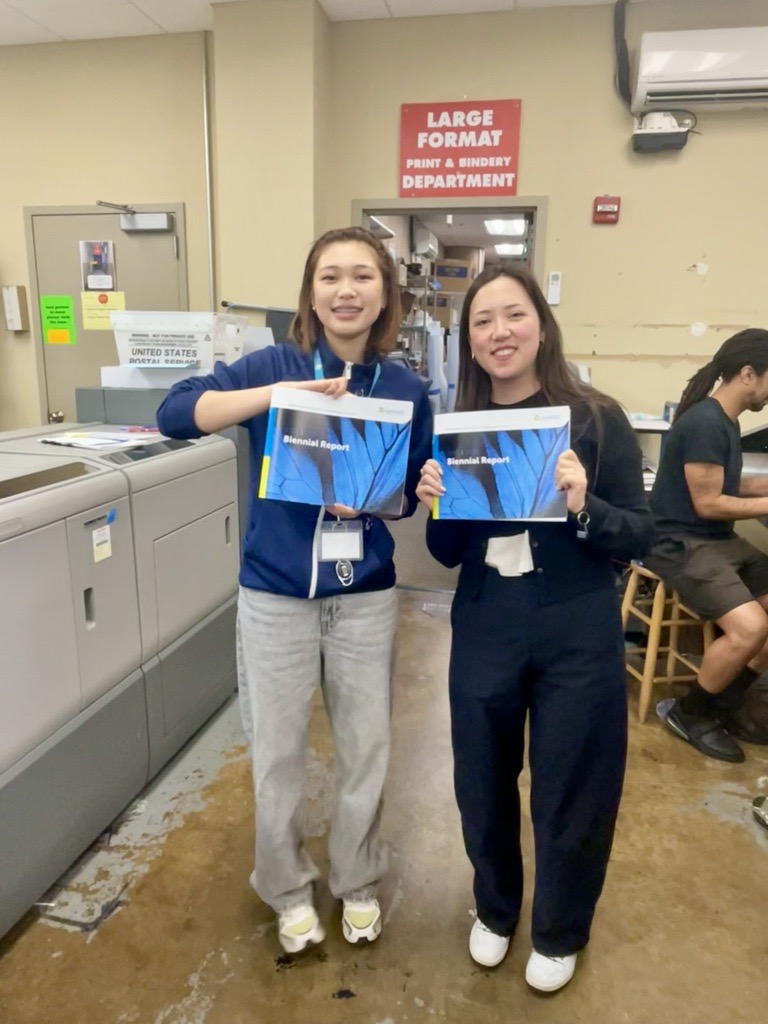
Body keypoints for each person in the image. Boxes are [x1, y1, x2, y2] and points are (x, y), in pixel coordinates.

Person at [156, 227, 432, 954]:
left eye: (363, 276)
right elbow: (175, 414)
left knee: (366, 748)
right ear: (311, 292)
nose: (347, 290)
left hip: (364, 595)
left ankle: (357, 878)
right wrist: (275, 396)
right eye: (330, 276)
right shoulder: (273, 365)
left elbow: (411, 492)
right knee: (276, 753)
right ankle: (284, 887)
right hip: (276, 595)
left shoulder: (405, 388)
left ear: (385, 294)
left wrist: (380, 500)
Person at [415, 264, 652, 992]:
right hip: (486, 620)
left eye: (514, 315)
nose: (500, 332)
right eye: (482, 322)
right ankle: (495, 909)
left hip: (576, 623)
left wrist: (584, 505)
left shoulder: (596, 418)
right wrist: (436, 502)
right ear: (469, 342)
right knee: (481, 778)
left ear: (542, 327)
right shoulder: (460, 426)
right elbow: (445, 553)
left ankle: (559, 928)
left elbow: (641, 534)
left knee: (573, 782)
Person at [643, 329, 768, 763]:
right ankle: (690, 712)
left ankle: (724, 706)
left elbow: (726, 482)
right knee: (751, 628)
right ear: (748, 374)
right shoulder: (705, 423)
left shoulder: (726, 421)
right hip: (679, 543)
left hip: (716, 541)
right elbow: (709, 502)